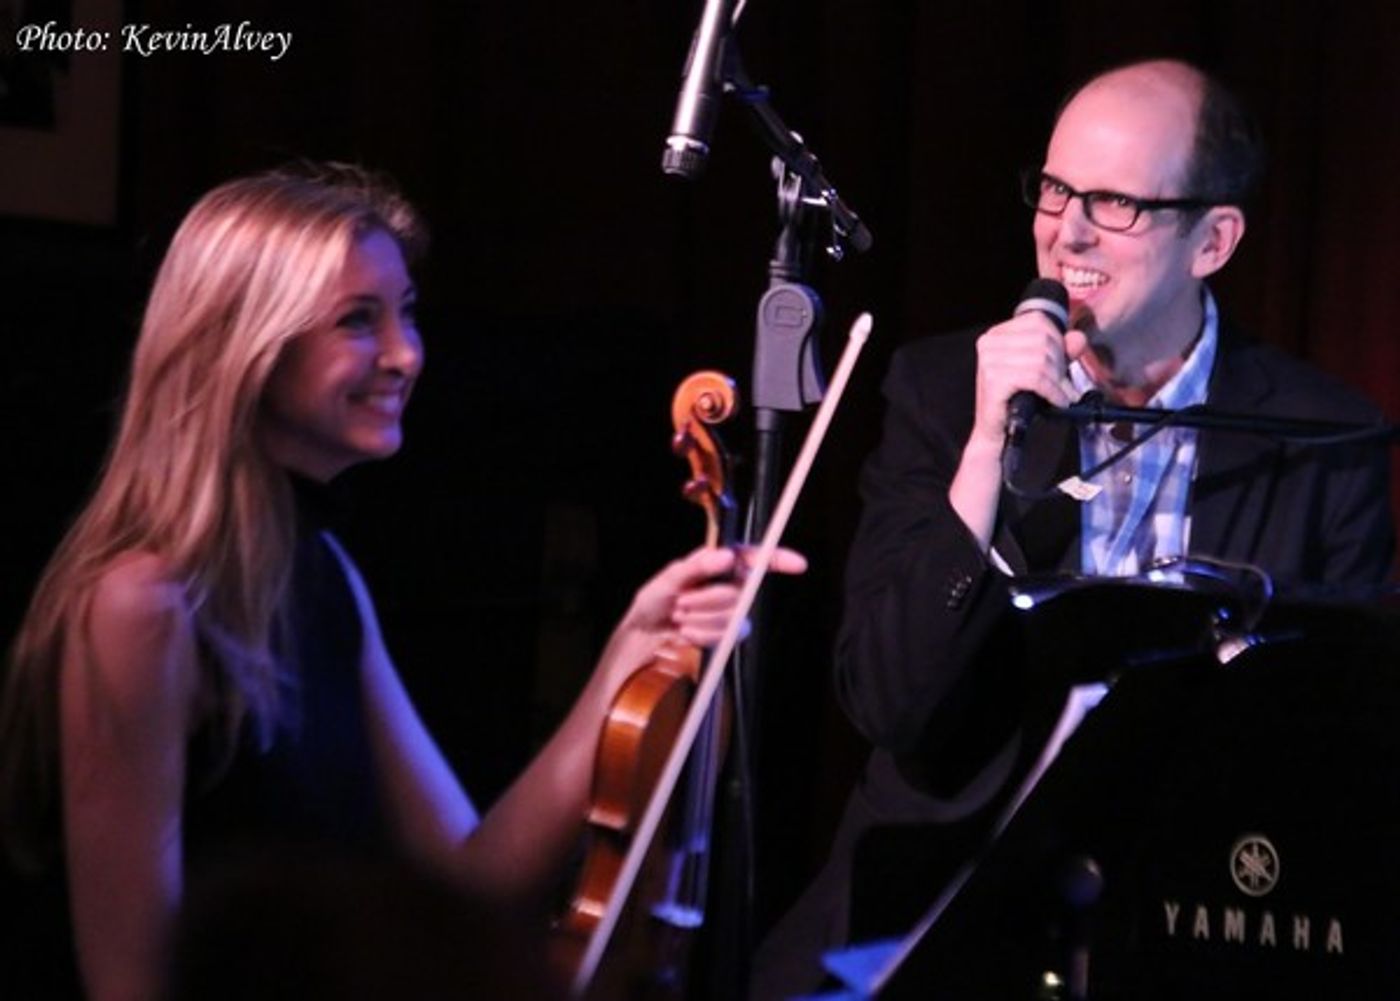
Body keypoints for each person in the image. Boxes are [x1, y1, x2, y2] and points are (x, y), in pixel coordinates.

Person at [0, 163, 805, 1001]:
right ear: (245, 351)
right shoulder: (142, 607)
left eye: (406, 313)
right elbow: (132, 984)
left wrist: (626, 652)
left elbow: (469, 885)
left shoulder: (321, 575)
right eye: (358, 320)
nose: (405, 355)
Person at [753, 58, 1394, 997]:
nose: (1065, 232)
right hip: (946, 890)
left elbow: (1346, 746)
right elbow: (892, 703)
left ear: (1212, 240)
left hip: (1206, 908)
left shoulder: (1323, 434)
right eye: (1055, 190)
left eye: (1114, 203)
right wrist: (985, 451)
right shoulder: (941, 393)